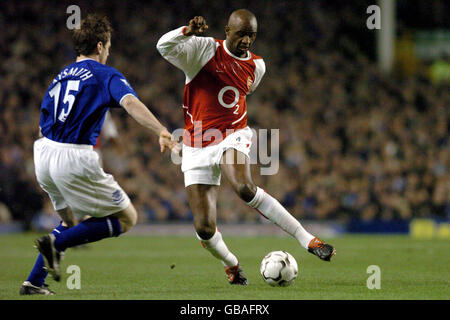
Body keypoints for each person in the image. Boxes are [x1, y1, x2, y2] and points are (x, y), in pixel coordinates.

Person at [156, 9, 336, 285]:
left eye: (252, 35)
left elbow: (242, 94)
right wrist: (186, 32)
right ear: (227, 31)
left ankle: (308, 239)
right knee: (204, 228)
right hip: (196, 142)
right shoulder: (203, 50)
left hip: (233, 133)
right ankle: (232, 264)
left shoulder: (257, 66)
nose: (247, 40)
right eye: (241, 34)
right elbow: (162, 45)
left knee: (244, 187)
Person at [20, 14, 177, 295]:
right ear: (101, 45)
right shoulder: (105, 74)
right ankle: (57, 245)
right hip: (74, 156)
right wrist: (160, 129)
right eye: (108, 46)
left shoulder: (61, 75)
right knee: (128, 218)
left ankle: (34, 281)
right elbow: (129, 102)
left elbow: (43, 122)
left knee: (69, 221)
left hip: (43, 152)